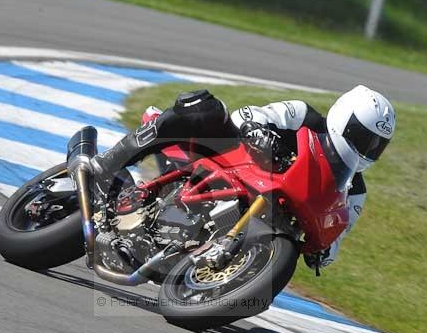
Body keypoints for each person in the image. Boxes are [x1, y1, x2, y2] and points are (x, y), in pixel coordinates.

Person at [89, 86, 396, 271]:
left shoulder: (354, 191)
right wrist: (257, 133)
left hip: (269, 212)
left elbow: (336, 240)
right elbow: (246, 115)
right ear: (344, 118)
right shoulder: (303, 115)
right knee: (205, 106)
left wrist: (324, 252)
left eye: (375, 145)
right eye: (362, 137)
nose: (365, 148)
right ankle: (106, 164)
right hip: (229, 165)